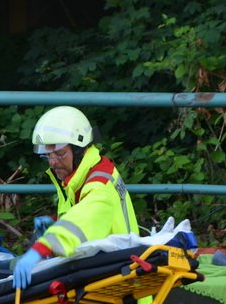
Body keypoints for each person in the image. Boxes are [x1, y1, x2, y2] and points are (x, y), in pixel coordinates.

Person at [11, 106, 139, 291]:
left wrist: (41, 248)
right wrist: (56, 224)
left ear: (79, 149)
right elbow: (85, 221)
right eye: (48, 155)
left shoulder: (99, 185)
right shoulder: (82, 178)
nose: (53, 161)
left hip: (119, 298)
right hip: (108, 282)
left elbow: (81, 222)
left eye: (59, 153)